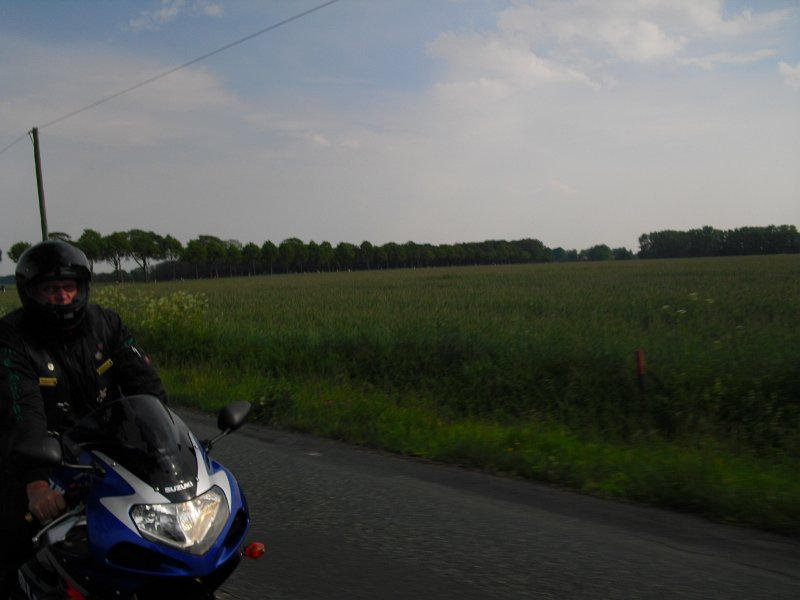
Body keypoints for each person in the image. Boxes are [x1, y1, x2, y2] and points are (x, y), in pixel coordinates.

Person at [0, 240, 167, 598]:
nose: (62, 296)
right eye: (50, 289)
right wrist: (36, 484)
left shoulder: (107, 324)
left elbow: (145, 385)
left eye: (68, 286)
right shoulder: (11, 338)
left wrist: (169, 444)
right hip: (41, 457)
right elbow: (21, 409)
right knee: (15, 544)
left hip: (105, 451)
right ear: (31, 292)